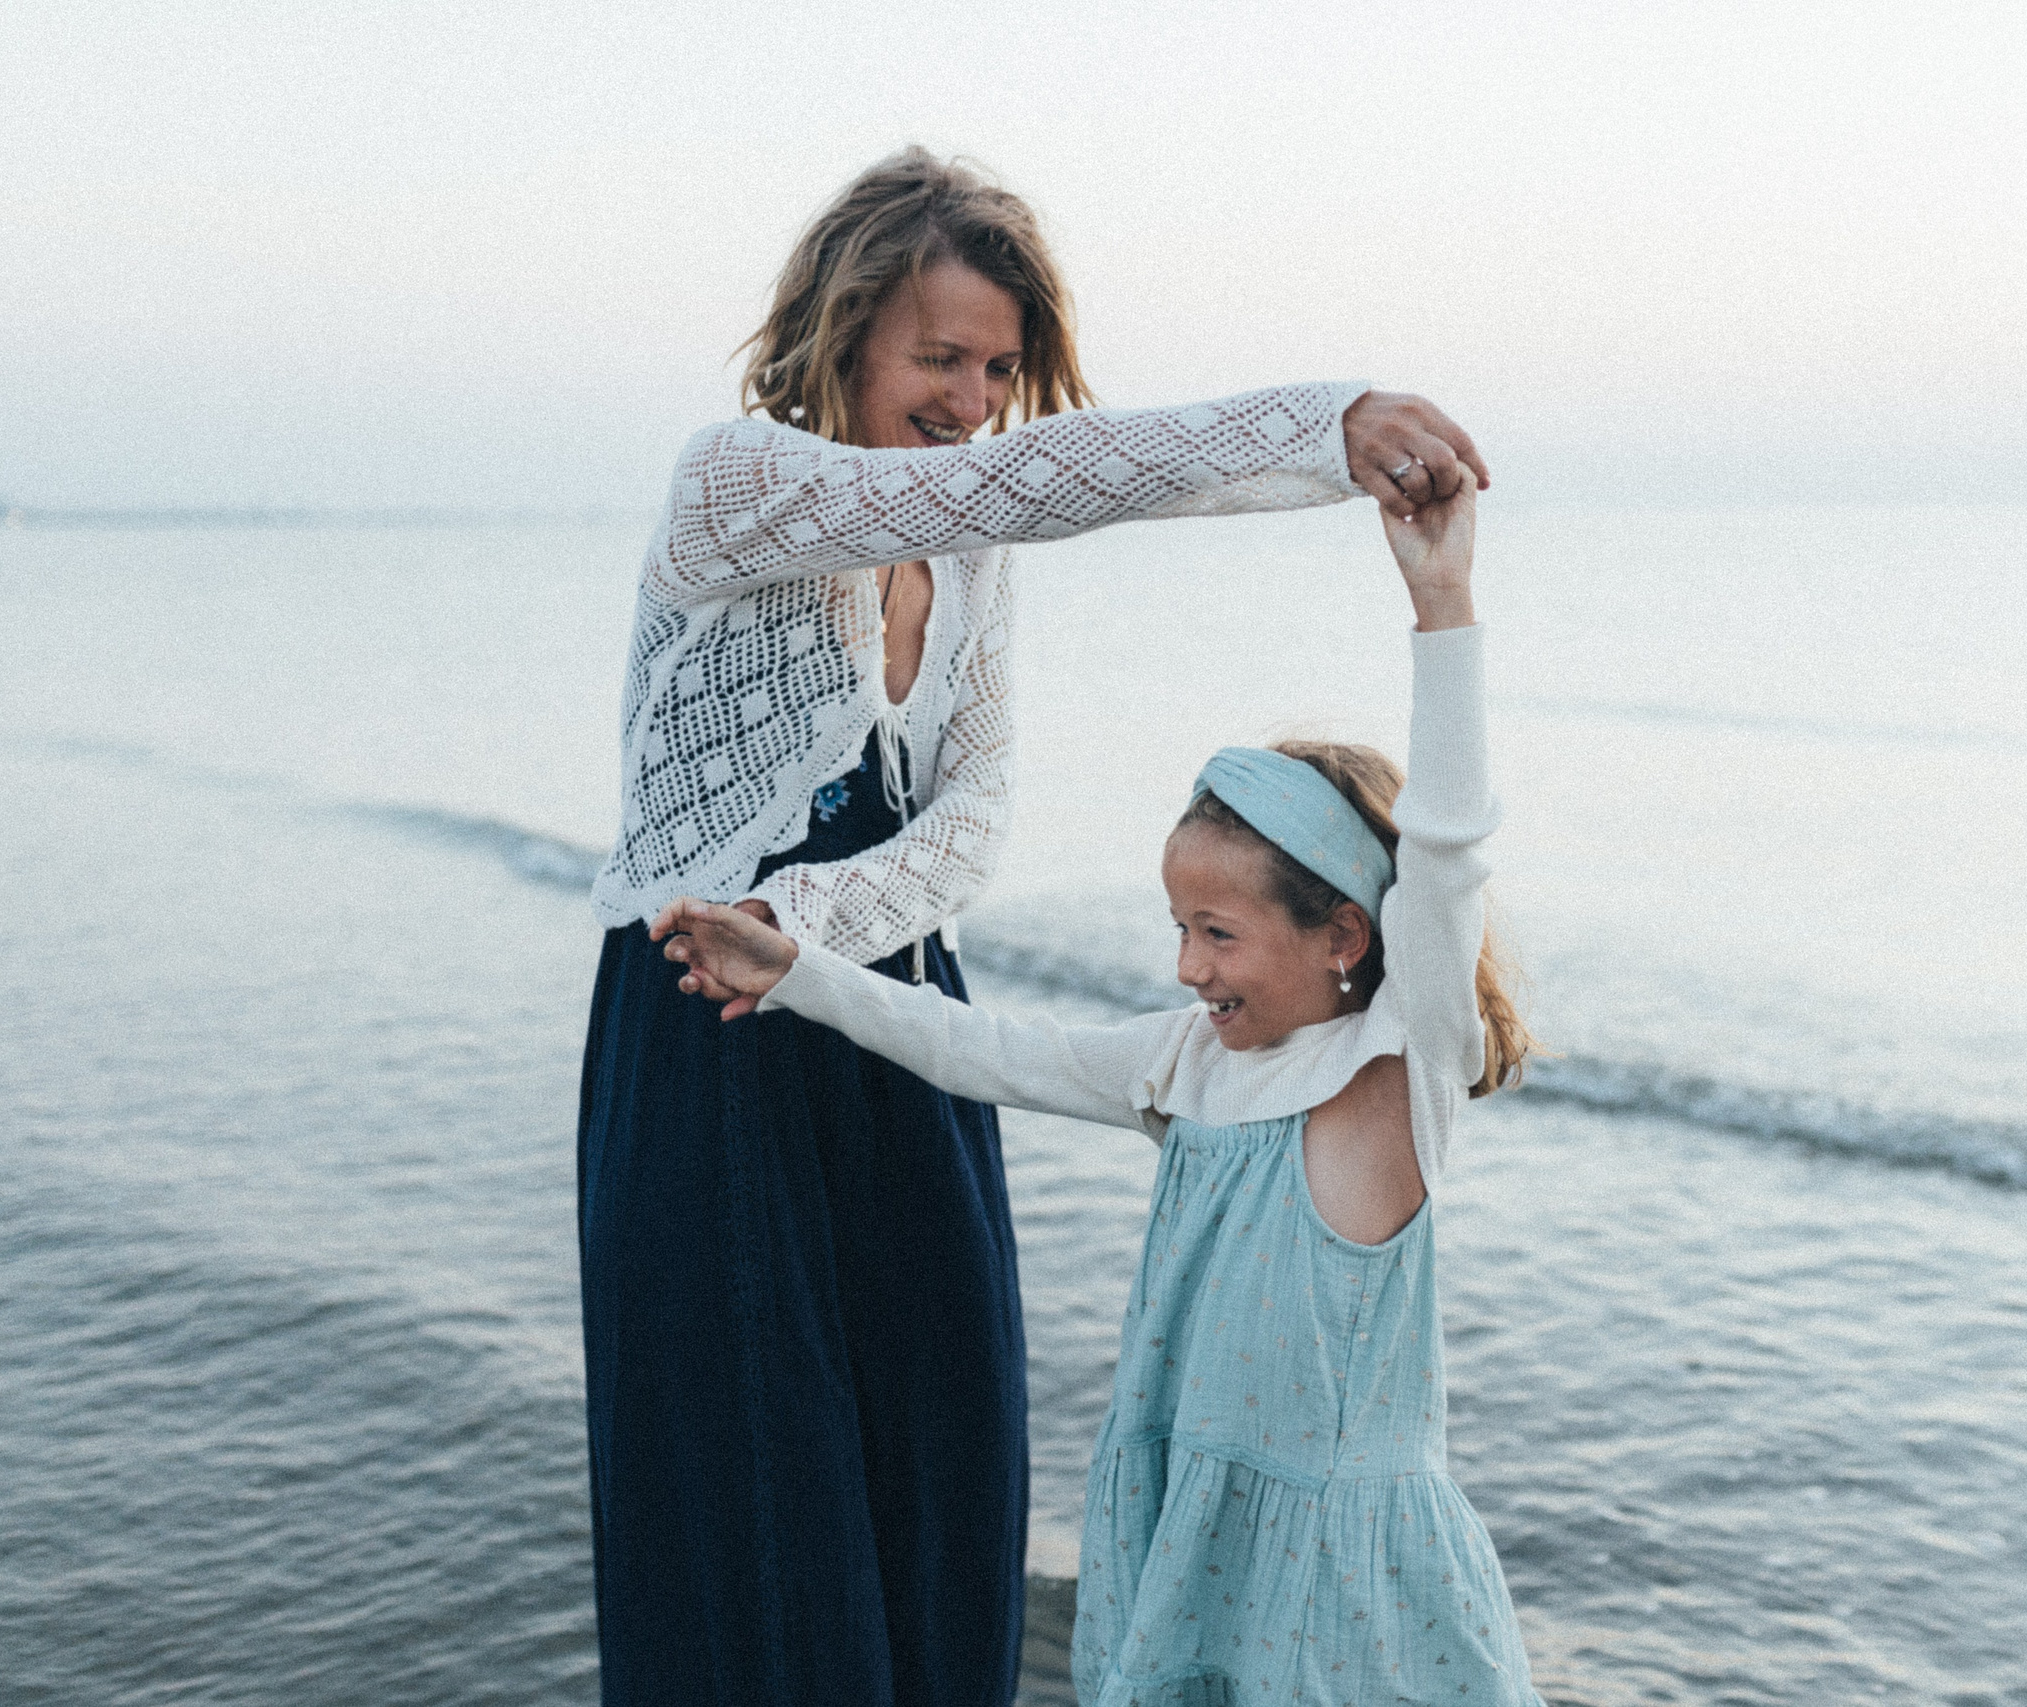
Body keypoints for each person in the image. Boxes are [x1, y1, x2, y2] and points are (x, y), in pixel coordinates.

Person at [575, 144, 1489, 1707]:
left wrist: (805, 928)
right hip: (703, 1037)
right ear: (844, 331)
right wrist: (1320, 426)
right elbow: (1007, 481)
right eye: (941, 356)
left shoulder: (971, 552)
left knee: (947, 1452)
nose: (973, 399)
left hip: (889, 1017)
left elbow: (974, 819)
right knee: (758, 1489)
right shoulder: (733, 483)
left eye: (999, 369)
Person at [654, 475, 1545, 1705]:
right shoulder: (1186, 1065)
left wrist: (1441, 600)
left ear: (1344, 934)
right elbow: (981, 1049)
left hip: (1342, 1572)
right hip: (1189, 1530)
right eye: (1180, 927)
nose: (1187, 968)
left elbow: (1446, 850)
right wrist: (798, 971)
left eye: (1219, 934)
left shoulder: (1393, 1080)